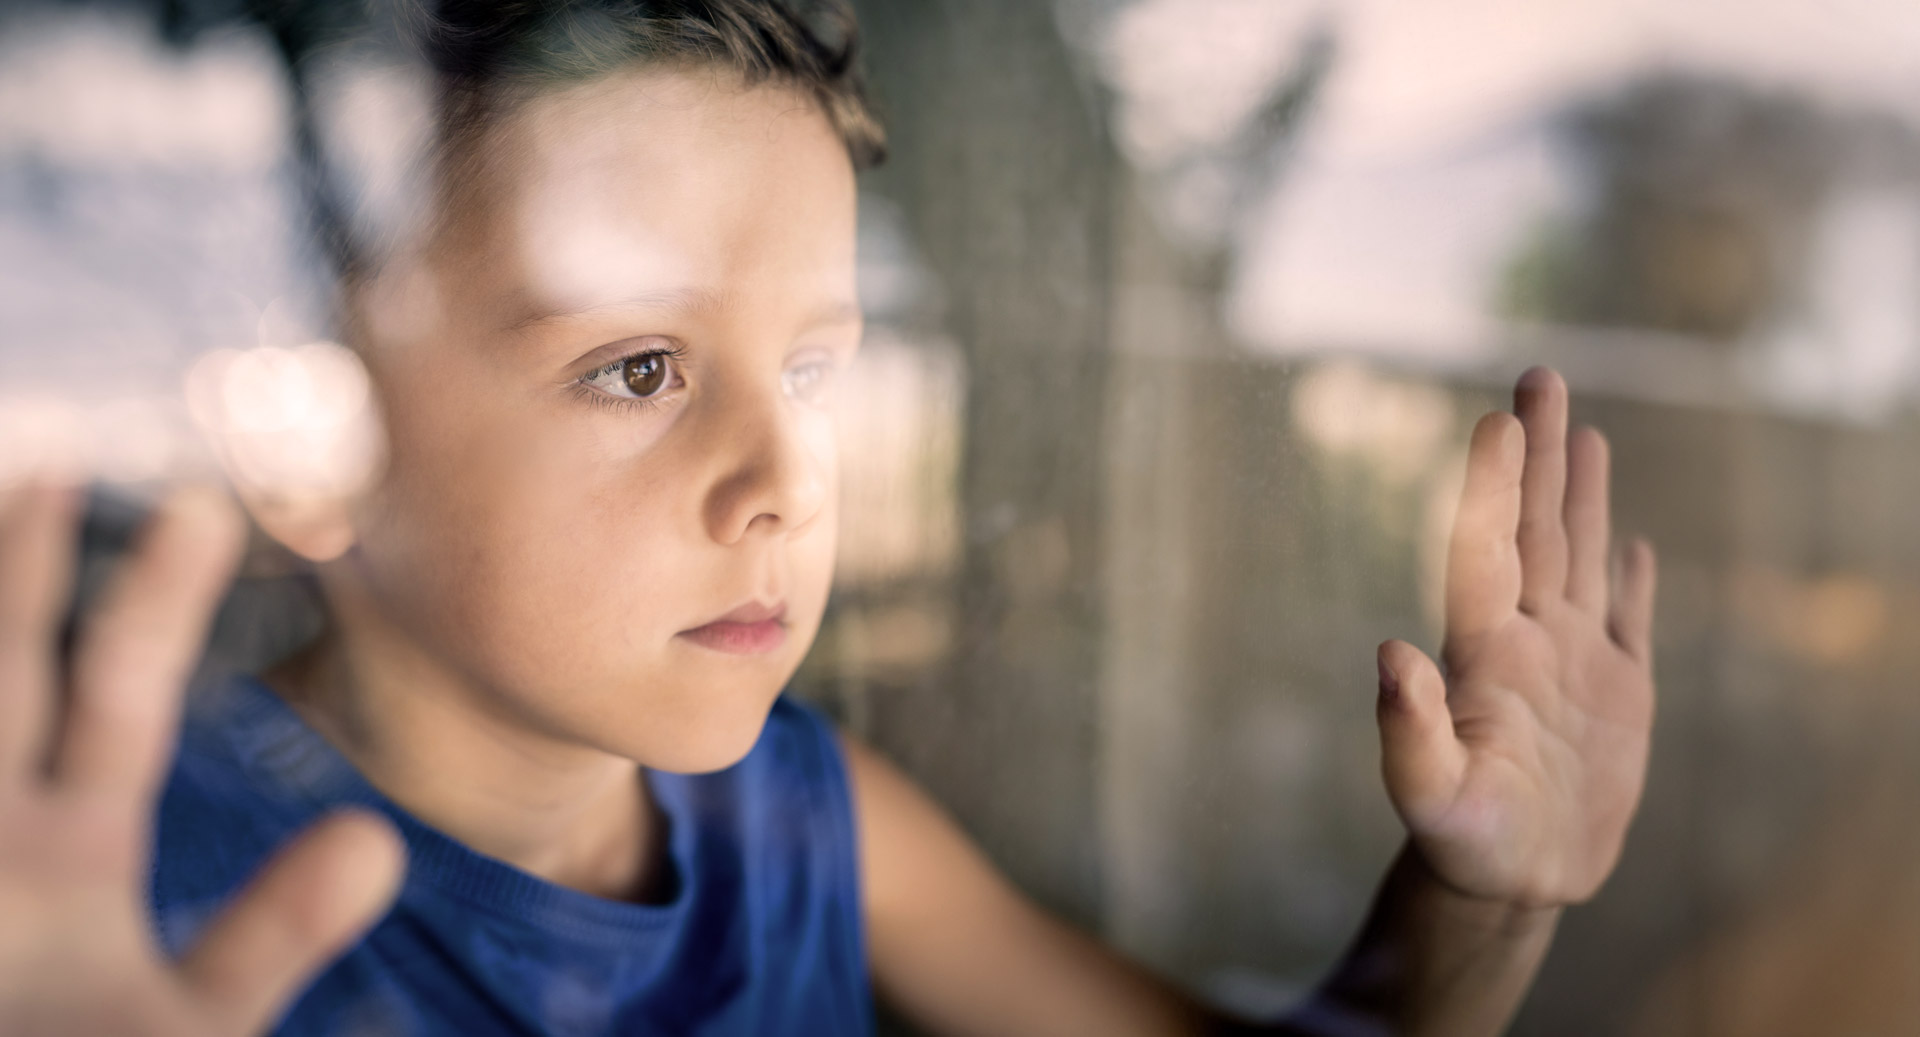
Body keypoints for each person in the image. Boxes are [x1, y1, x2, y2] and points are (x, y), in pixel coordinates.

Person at [0, 1, 1658, 1033]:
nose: (786, 478)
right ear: (327, 428)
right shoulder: (107, 916)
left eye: (809, 367)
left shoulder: (796, 814)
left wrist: (1480, 902)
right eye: (640, 365)